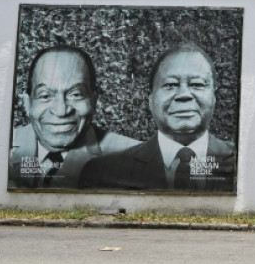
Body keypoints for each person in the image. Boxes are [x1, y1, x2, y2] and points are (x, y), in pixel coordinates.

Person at [79, 43, 236, 191]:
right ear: (151, 100)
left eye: (197, 84)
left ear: (214, 97)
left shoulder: (242, 163)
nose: (184, 95)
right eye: (170, 85)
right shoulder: (104, 172)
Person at [9, 45, 140, 189]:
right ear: (27, 104)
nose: (61, 111)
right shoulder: (3, 146)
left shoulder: (135, 158)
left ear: (94, 100)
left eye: (76, 94)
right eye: (45, 95)